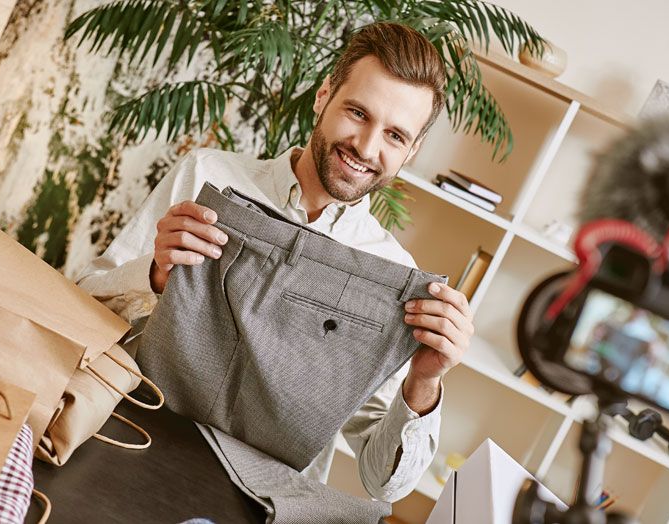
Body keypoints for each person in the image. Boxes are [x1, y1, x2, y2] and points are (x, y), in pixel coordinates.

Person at [76, 22, 475, 503]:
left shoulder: (393, 274)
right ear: (323, 96)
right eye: (357, 112)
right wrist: (156, 274)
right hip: (122, 434)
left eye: (394, 135)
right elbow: (82, 300)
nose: (367, 148)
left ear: (411, 150)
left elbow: (383, 482)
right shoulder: (206, 175)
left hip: (256, 501)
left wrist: (425, 381)